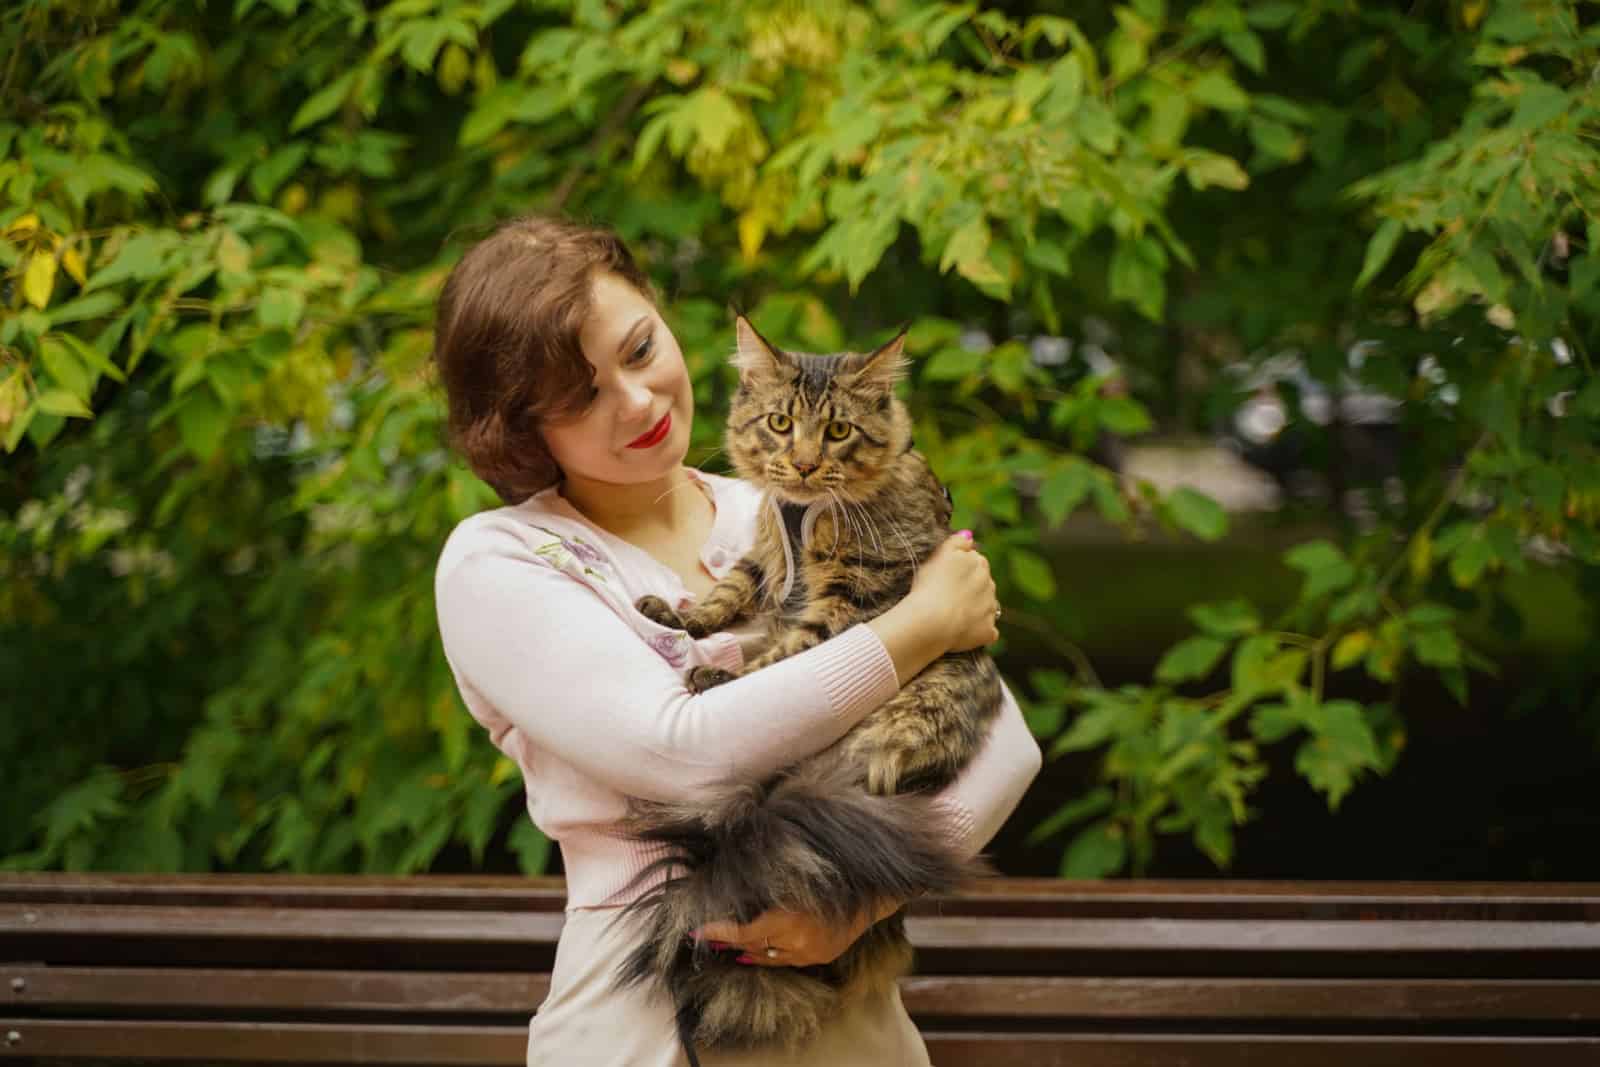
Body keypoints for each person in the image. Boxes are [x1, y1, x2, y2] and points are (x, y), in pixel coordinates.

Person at [430, 215, 1042, 1067]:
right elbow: (681, 753)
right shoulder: (500, 562)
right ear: (522, 428)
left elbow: (1008, 742)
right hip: (649, 1020)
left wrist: (857, 901)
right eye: (581, 396)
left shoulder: (785, 502)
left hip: (852, 1024)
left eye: (641, 350)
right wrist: (921, 624)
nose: (637, 402)